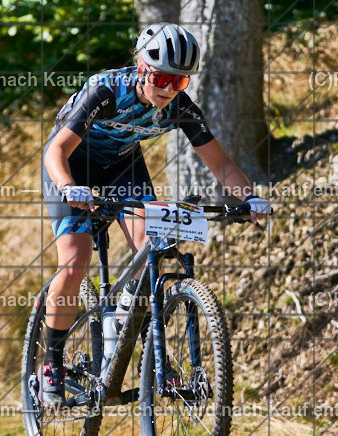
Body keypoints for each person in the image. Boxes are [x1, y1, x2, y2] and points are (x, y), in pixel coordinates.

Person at [39, 22, 271, 408]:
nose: (167, 89)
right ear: (141, 67)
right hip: (71, 166)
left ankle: (138, 333)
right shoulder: (105, 90)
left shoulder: (178, 107)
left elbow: (219, 161)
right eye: (162, 77)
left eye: (178, 83)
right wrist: (67, 187)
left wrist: (249, 198)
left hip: (121, 168)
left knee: (154, 246)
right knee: (75, 261)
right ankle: (51, 364)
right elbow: (55, 152)